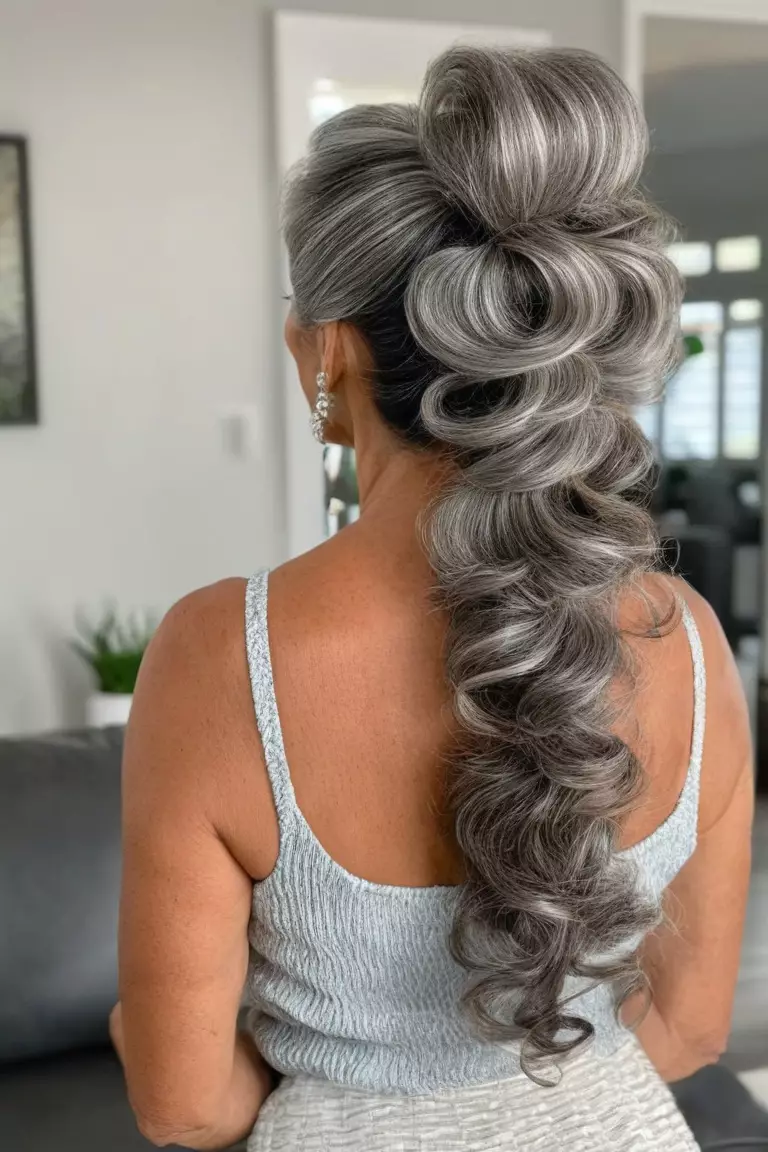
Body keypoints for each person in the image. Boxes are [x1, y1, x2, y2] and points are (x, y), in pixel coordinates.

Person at [111, 45, 754, 1151]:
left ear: (328, 350)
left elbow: (184, 1105)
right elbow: (691, 1027)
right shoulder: (685, 639)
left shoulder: (222, 655)